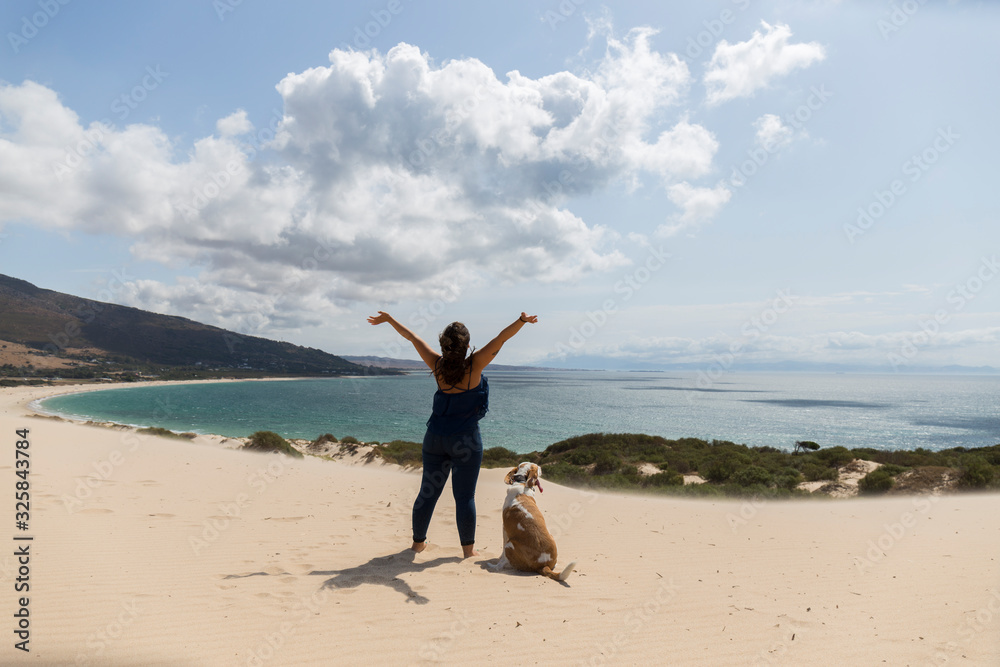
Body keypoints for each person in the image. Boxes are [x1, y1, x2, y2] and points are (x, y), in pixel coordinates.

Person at [367, 311, 538, 558]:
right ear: (468, 346)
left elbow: (412, 337)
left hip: (435, 438)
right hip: (466, 441)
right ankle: (468, 552)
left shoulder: (437, 366)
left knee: (428, 492)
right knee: (465, 496)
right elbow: (501, 338)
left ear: (443, 346)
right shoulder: (476, 364)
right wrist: (521, 321)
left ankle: (417, 545)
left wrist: (389, 320)